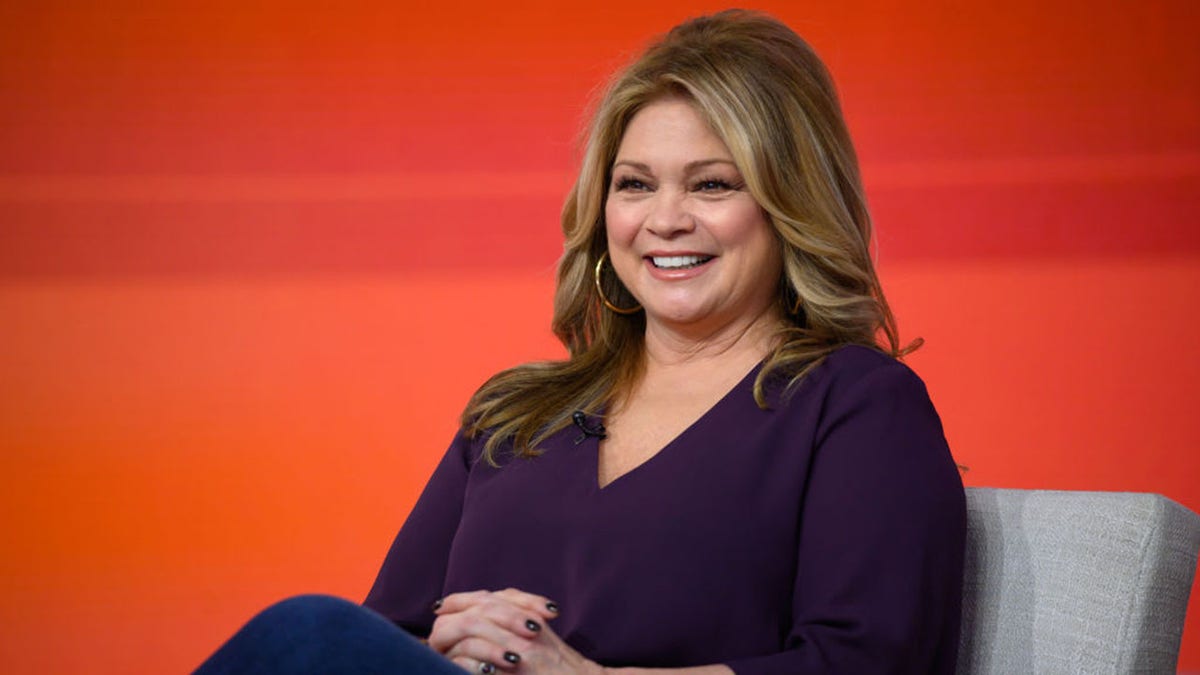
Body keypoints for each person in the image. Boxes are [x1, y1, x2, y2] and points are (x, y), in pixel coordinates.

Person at [195, 9, 965, 675]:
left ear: (787, 206)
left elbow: (868, 663)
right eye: (634, 184)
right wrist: (445, 647)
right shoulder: (514, 415)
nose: (665, 219)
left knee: (308, 631)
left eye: (712, 184)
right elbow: (380, 638)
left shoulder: (857, 404)